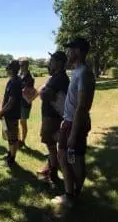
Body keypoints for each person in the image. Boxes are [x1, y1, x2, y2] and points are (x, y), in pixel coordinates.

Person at [51, 37, 95, 207]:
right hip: (68, 121)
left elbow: (82, 107)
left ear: (78, 51)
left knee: (75, 158)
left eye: (70, 49)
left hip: (76, 123)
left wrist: (74, 133)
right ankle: (70, 192)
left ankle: (73, 195)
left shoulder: (84, 73)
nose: (68, 52)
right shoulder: (76, 71)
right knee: (64, 155)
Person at [37, 51, 69, 184]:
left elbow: (44, 94)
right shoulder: (56, 76)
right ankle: (50, 168)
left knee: (50, 145)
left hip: (52, 117)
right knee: (51, 144)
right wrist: (43, 90)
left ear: (59, 62)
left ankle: (53, 173)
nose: (50, 63)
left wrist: (43, 90)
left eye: (52, 60)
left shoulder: (59, 78)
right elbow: (43, 91)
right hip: (51, 116)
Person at [0, 60, 22, 167]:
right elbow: (6, 98)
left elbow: (11, 101)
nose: (6, 70)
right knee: (9, 136)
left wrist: (2, 111)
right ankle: (10, 154)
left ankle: (12, 159)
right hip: (8, 114)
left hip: (11, 114)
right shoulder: (11, 81)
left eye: (8, 68)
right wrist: (2, 110)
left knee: (13, 138)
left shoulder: (15, 82)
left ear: (12, 70)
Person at [18, 57, 35, 147]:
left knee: (23, 122)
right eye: (19, 65)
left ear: (26, 65)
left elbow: (28, 92)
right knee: (18, 121)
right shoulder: (20, 75)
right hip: (18, 102)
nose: (20, 67)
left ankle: (22, 140)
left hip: (24, 103)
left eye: (21, 65)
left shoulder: (30, 78)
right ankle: (18, 139)